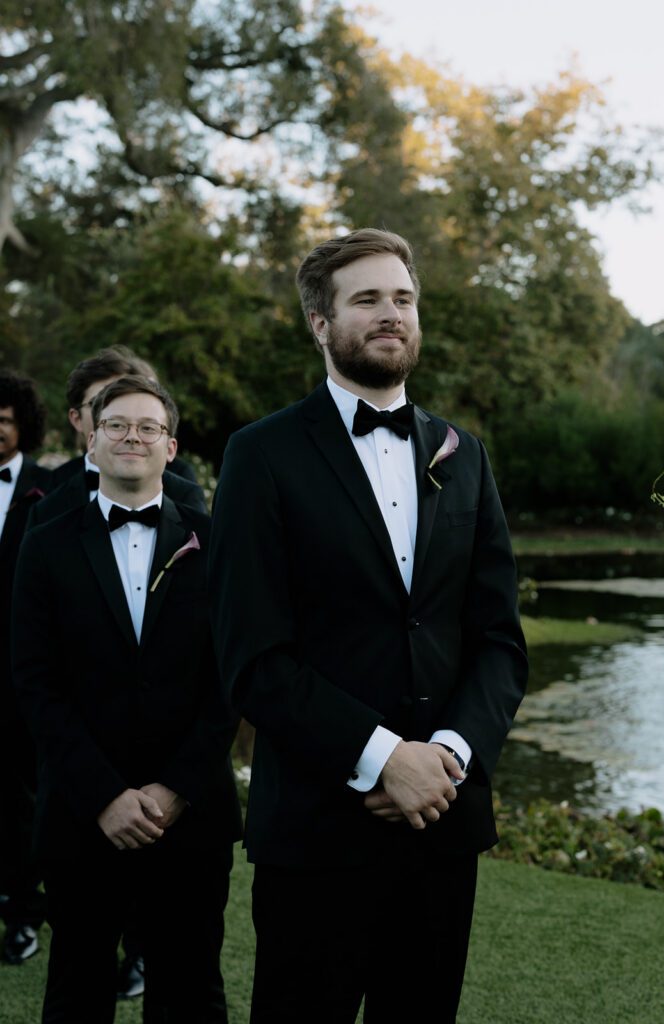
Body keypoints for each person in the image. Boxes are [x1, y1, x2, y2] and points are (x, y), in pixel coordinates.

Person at [209, 228, 528, 1023]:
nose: (392, 314)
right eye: (368, 300)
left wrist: (445, 759)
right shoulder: (261, 455)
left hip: (442, 832)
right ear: (320, 323)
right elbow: (252, 656)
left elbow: (496, 640)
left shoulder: (466, 456)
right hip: (318, 831)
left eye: (404, 299)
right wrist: (384, 758)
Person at [12, 375, 242, 1023]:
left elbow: (232, 677)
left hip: (191, 814)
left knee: (191, 989)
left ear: (171, 448)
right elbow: (34, 680)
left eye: (147, 427)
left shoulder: (216, 540)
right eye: (116, 425)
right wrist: (104, 795)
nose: (131, 437)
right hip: (83, 815)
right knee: (77, 988)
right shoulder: (45, 542)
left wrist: (173, 789)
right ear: (91, 438)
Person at [32, 346, 206, 529]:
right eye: (101, 403)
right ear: (77, 419)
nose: (131, 435)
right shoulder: (52, 488)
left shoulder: (183, 490)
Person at [0, 370, 51, 965]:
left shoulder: (46, 487)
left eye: (5, 418)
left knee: (24, 795)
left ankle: (24, 911)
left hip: (23, 670)